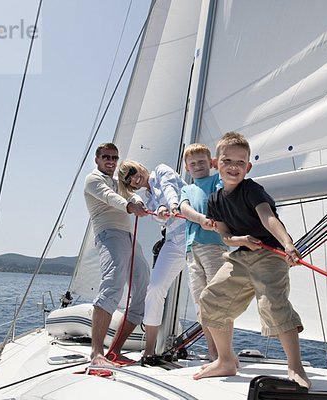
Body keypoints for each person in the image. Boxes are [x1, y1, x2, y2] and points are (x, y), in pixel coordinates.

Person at [193, 132, 311, 388]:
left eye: (240, 162)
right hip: (240, 256)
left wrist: (288, 244)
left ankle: (296, 366)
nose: (233, 167)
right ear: (216, 164)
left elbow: (268, 217)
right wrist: (241, 240)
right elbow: (225, 236)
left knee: (273, 303)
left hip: (269, 254)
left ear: (248, 167)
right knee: (210, 299)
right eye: (227, 161)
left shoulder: (252, 190)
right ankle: (225, 360)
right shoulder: (214, 200)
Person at [84, 143, 150, 366]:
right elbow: (112, 198)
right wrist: (131, 207)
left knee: (142, 288)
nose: (111, 161)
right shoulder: (93, 180)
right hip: (109, 235)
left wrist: (138, 202)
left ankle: (114, 351)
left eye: (114, 157)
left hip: (130, 239)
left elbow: (131, 195)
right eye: (106, 157)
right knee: (113, 284)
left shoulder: (118, 183)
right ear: (97, 159)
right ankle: (96, 353)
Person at [118, 160, 187, 359]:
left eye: (132, 171)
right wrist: (161, 213)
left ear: (139, 166)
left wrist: (170, 205)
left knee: (204, 292)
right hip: (174, 241)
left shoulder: (161, 170)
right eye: (129, 180)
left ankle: (217, 354)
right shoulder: (147, 198)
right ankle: (150, 351)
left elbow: (169, 188)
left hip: (193, 235)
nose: (134, 178)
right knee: (154, 289)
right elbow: (158, 217)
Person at [178, 143, 230, 361]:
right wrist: (200, 219)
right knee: (200, 303)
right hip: (192, 250)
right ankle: (213, 352)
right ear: (187, 168)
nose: (198, 166)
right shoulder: (186, 189)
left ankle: (225, 354)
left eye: (202, 162)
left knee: (216, 300)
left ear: (211, 163)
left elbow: (227, 190)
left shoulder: (216, 181)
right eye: (193, 163)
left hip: (214, 247)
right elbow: (184, 208)